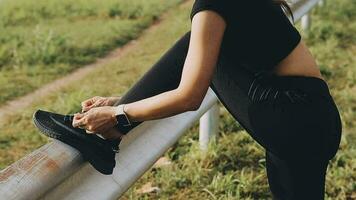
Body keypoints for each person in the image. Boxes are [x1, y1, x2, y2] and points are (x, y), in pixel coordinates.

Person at [33, 0, 342, 199]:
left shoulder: (213, 4)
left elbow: (190, 94)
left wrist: (120, 113)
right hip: (316, 120)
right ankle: (114, 126)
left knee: (192, 46)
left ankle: (111, 134)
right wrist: (119, 102)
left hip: (292, 116)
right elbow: (225, 81)